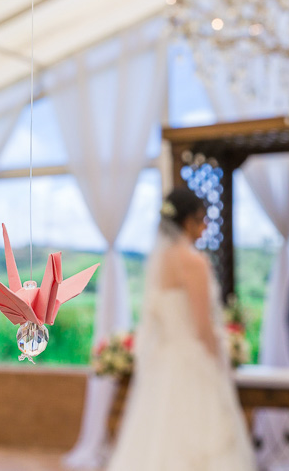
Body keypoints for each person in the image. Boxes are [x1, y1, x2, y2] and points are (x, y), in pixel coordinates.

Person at [107, 188, 256, 471]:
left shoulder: (158, 262)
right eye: (202, 220)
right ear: (188, 222)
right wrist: (219, 358)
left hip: (163, 365)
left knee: (156, 437)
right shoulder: (193, 262)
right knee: (201, 438)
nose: (205, 227)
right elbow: (203, 326)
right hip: (192, 362)